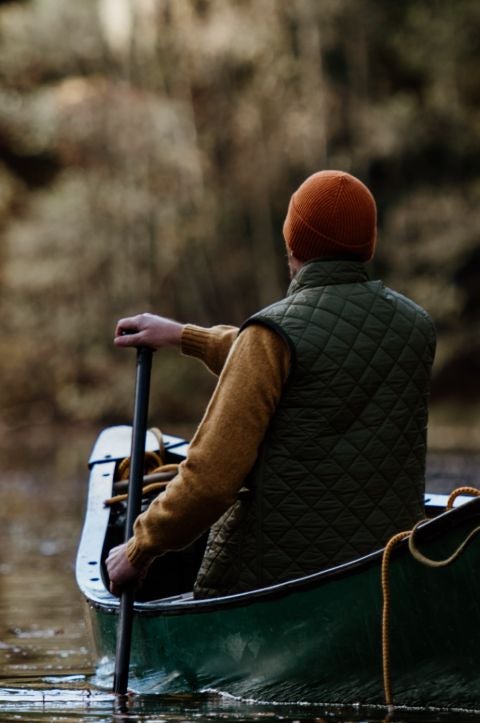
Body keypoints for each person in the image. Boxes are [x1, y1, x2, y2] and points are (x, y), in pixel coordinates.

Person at [103, 169, 436, 597]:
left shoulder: (273, 334)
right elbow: (316, 355)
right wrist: (184, 335)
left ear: (293, 242)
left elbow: (209, 483)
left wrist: (138, 549)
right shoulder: (415, 327)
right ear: (366, 244)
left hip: (273, 579)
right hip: (388, 572)